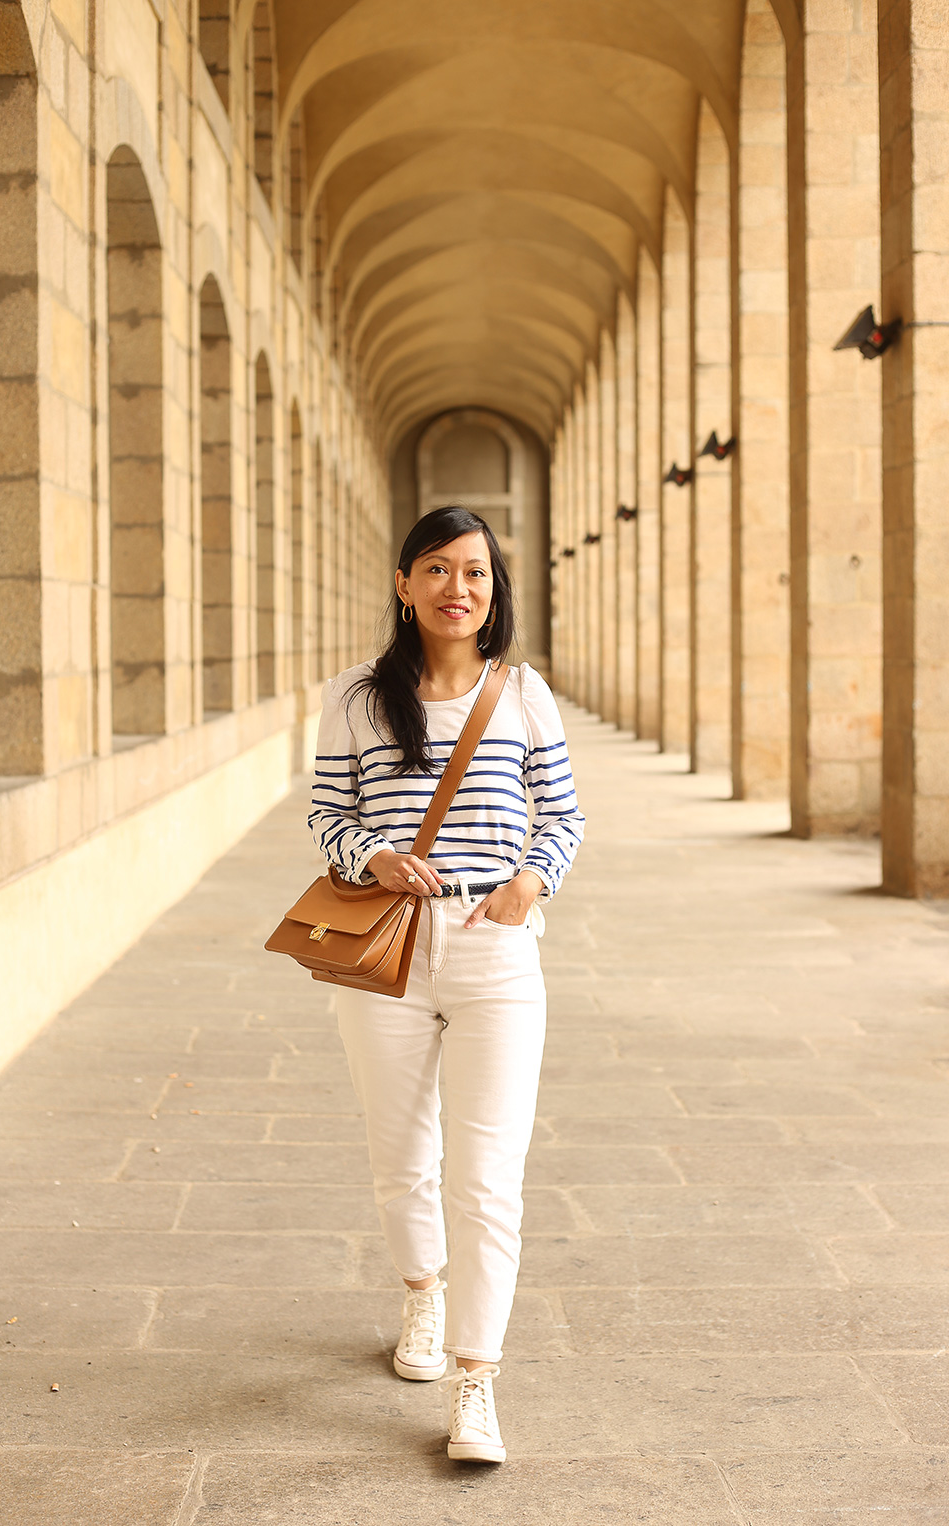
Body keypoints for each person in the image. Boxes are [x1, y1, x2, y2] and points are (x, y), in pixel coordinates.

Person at [308, 505, 584, 1463]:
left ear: (493, 589)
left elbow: (563, 814)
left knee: (487, 1177)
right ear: (402, 584)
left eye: (475, 572)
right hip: (387, 950)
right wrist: (373, 854)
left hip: (494, 947)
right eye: (436, 569)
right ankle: (421, 1295)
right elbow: (326, 811)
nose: (457, 588)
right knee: (402, 1158)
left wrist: (529, 882)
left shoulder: (523, 695)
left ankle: (477, 1381)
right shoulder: (354, 695)